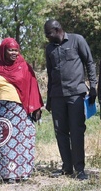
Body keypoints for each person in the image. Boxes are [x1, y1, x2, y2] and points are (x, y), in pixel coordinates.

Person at [0, 38, 43, 183]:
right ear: (3, 51)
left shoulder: (24, 67)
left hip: (19, 111)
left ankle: (20, 173)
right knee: (2, 142)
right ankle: (3, 174)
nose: (14, 53)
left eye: (16, 50)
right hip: (0, 111)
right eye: (10, 50)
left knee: (20, 142)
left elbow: (33, 87)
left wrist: (36, 108)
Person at [44, 19, 97, 180]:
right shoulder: (49, 48)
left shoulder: (77, 40)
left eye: (49, 34)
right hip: (57, 96)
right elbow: (50, 73)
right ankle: (67, 167)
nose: (47, 37)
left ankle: (80, 169)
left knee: (76, 131)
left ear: (57, 29)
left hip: (76, 94)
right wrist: (49, 98)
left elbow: (89, 62)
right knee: (60, 132)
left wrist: (93, 86)